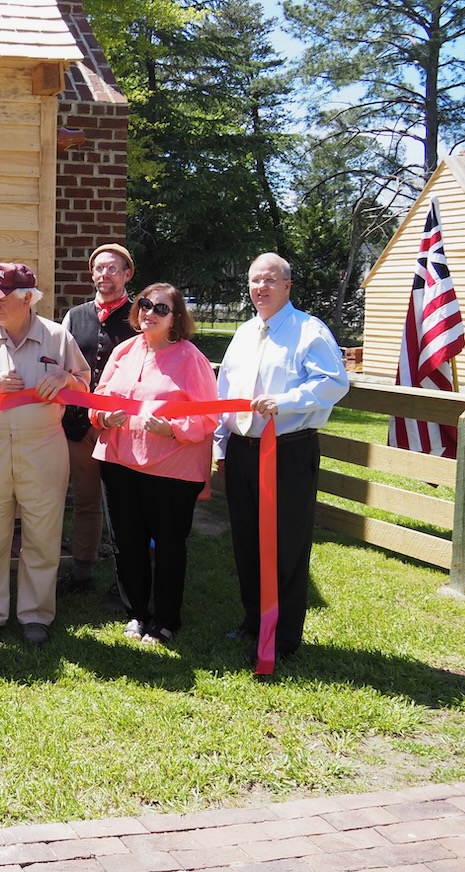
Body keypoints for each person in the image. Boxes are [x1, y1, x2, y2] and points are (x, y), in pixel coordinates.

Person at [215, 253, 349, 661]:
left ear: (287, 285)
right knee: (247, 541)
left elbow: (334, 383)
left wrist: (285, 402)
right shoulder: (243, 333)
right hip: (243, 453)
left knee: (286, 544)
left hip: (288, 452)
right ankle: (254, 621)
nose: (261, 288)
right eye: (255, 281)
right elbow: (225, 393)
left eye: (270, 280)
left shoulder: (309, 331)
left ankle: (285, 634)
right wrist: (221, 445)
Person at [0, 263, 89, 645]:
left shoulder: (58, 337)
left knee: (42, 535)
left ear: (28, 299)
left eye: (1, 298)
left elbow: (84, 383)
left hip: (44, 446)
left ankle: (36, 616)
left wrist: (65, 378)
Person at [90, 283, 218, 646]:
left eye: (160, 308)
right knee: (126, 542)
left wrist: (173, 428)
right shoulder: (123, 351)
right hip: (119, 462)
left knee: (168, 545)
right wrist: (103, 417)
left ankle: (165, 620)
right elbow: (97, 400)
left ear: (176, 318)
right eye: (145, 304)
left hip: (172, 470)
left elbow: (208, 416)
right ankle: (136, 613)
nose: (149, 312)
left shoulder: (191, 358)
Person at [59, 243, 138, 595]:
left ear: (126, 274)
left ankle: (128, 579)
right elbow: (63, 364)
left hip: (124, 428)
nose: (104, 275)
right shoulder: (75, 316)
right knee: (87, 501)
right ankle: (82, 572)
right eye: (98, 269)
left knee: (127, 505)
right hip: (81, 426)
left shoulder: (141, 315)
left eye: (112, 269)